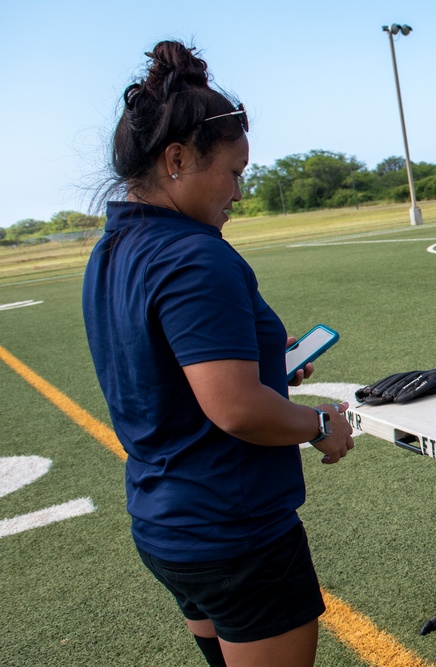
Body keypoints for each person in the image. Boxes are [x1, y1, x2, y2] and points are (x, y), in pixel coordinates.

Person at [82, 41, 353, 667]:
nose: (238, 191)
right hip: (234, 533)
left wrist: (262, 360)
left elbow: (161, 363)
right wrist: (319, 425)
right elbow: (234, 409)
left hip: (166, 523)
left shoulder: (114, 248)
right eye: (232, 173)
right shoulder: (195, 254)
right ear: (177, 159)